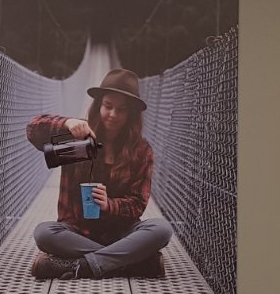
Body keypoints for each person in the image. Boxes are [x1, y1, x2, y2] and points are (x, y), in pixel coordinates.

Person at [25, 68, 173, 280]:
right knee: (44, 233)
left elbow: (138, 203)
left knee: (162, 229)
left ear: (131, 114)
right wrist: (66, 122)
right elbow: (32, 131)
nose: (113, 114)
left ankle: (80, 266)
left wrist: (109, 205)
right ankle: (132, 262)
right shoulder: (79, 140)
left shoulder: (141, 151)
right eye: (108, 106)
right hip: (77, 231)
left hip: (122, 233)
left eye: (122, 109)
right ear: (98, 106)